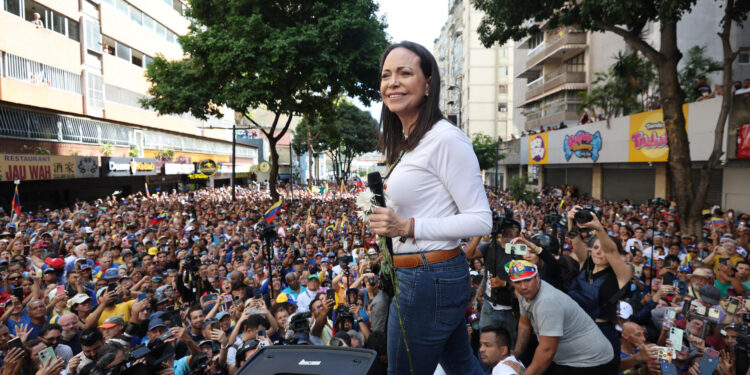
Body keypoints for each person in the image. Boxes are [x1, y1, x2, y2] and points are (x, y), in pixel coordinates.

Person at [369, 41, 492, 375]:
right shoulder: (411, 142)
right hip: (426, 276)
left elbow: (482, 219)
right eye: (385, 75)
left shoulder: (445, 138)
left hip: (427, 277)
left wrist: (408, 227)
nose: (392, 82)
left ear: (427, 84)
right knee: (461, 365)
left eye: (404, 73)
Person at [509, 260, 617, 375]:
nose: (524, 286)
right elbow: (524, 325)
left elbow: (547, 350)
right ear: (512, 283)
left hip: (591, 362)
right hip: (571, 359)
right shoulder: (523, 293)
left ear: (537, 277)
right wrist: (516, 353)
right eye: (518, 282)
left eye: (528, 280)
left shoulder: (547, 302)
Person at [565, 205, 632, 370]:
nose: (598, 253)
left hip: (601, 333)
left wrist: (600, 230)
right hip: (576, 330)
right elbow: (575, 240)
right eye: (595, 248)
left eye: (603, 250)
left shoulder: (621, 275)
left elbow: (610, 250)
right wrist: (570, 221)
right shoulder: (586, 264)